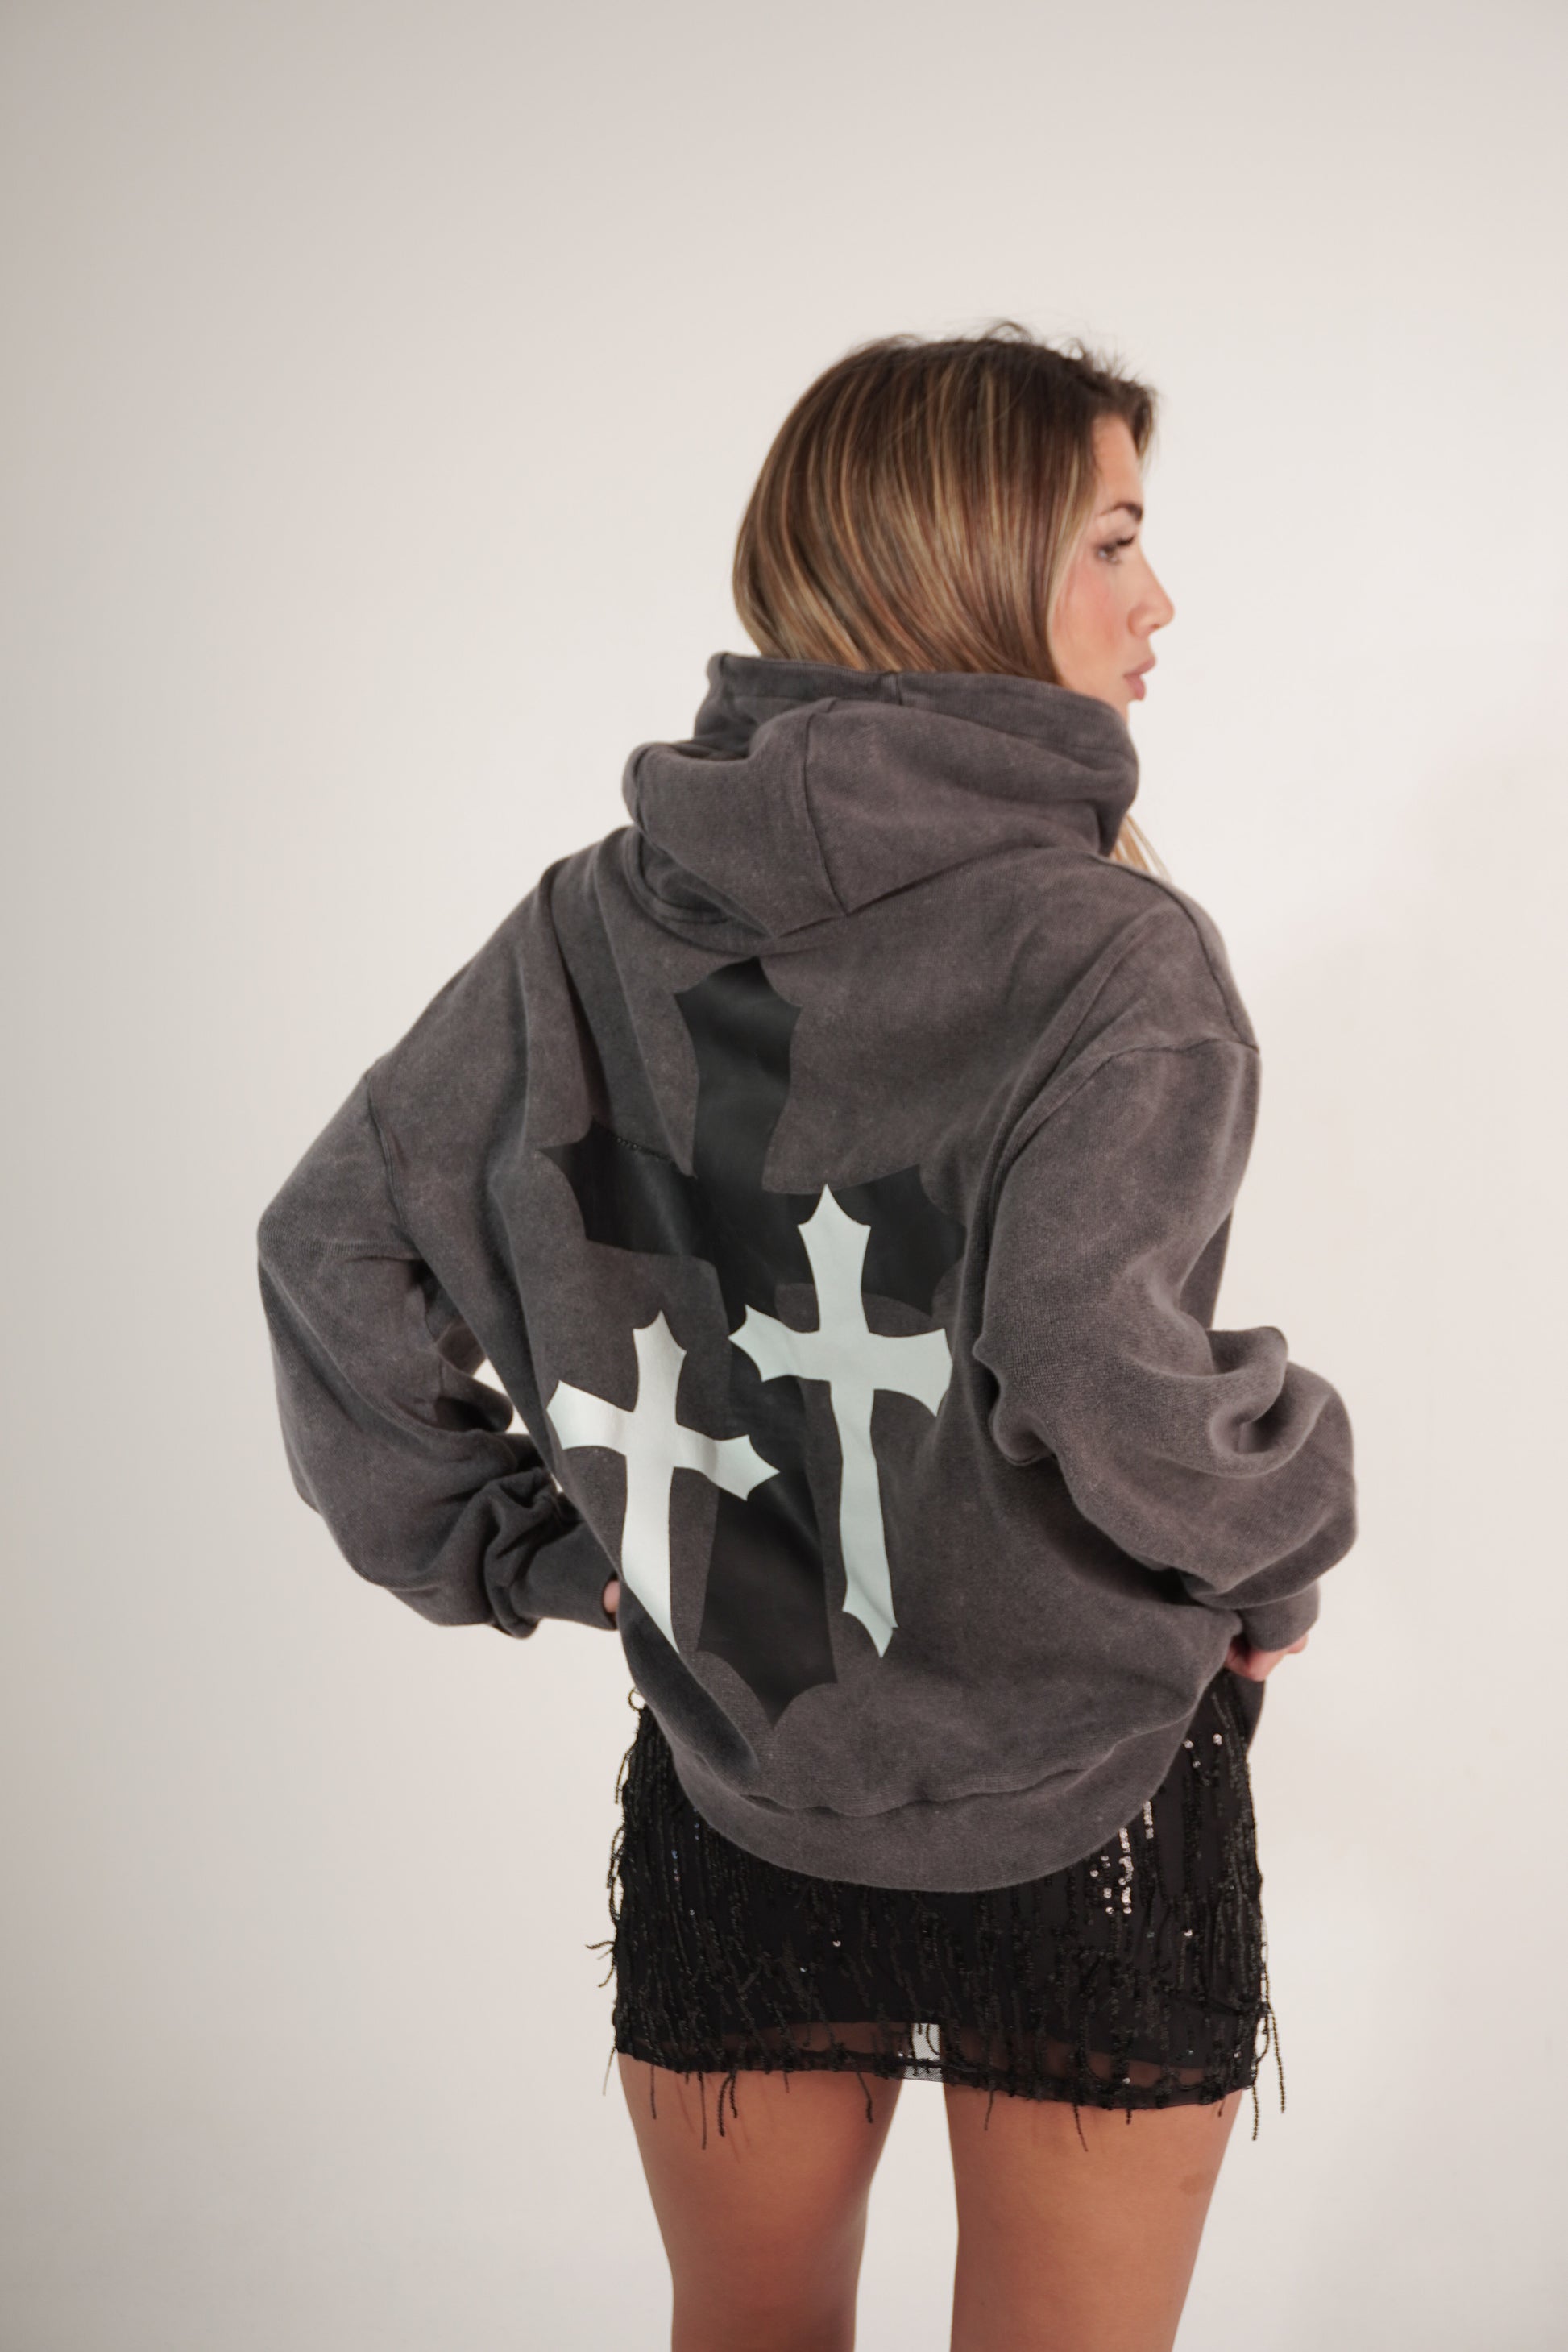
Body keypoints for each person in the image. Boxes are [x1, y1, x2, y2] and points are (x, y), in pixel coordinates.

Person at [256, 323, 1355, 2352]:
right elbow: (1094, 1364)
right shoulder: (1114, 955)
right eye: (1114, 538)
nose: (1157, 601)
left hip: (735, 1768)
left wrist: (535, 1547)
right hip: (1095, 1801)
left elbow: (333, 1244)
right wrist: (1281, 1533)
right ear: (966, 564)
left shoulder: (586, 923)